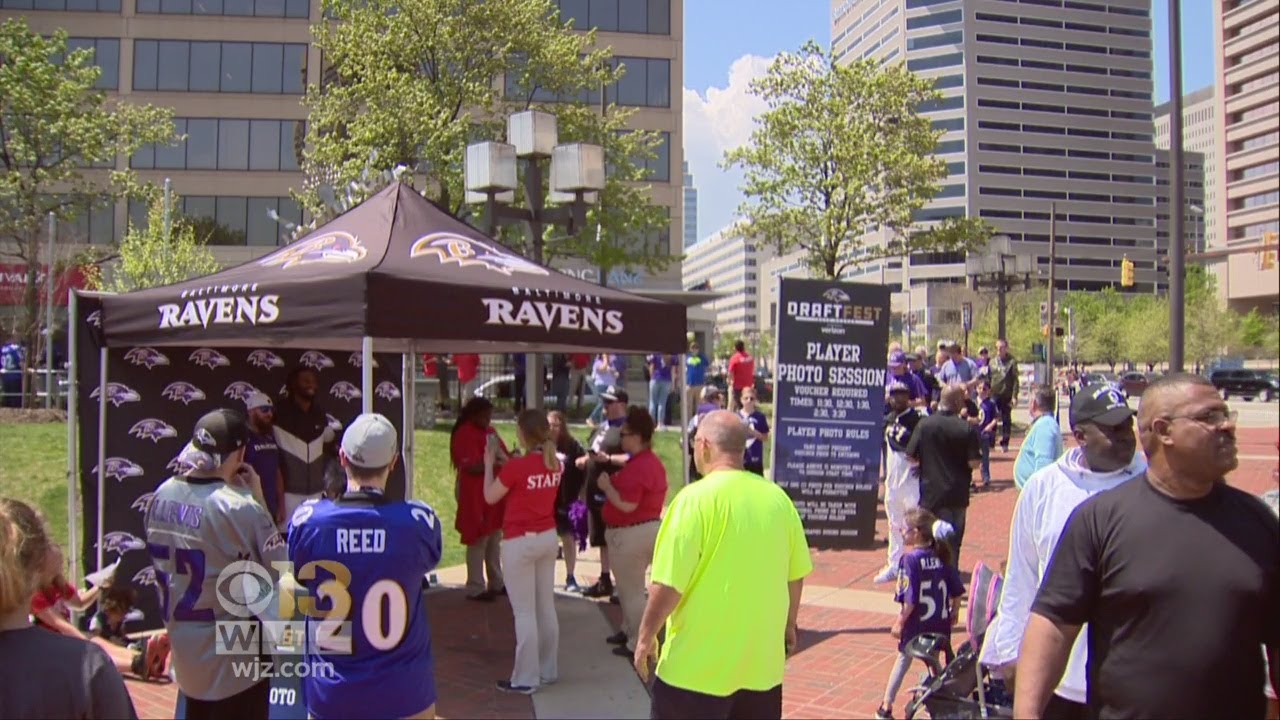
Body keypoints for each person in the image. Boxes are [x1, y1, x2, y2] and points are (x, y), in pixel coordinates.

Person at [1014, 374, 1280, 720]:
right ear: (1163, 430)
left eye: (1226, 415)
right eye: (1209, 417)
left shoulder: (1257, 523)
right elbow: (1053, 626)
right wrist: (1027, 712)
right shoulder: (1101, 520)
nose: (1227, 426)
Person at [979, 383, 1147, 719]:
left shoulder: (1152, 480)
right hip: (1060, 680)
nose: (1126, 437)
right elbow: (1022, 576)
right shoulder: (1044, 487)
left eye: (1127, 425)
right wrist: (1010, 652)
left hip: (1135, 679)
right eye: (1112, 429)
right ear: (1081, 436)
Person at [633, 411, 812, 720]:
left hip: (693, 675)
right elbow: (795, 576)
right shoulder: (778, 500)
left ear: (704, 445)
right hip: (761, 673)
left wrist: (646, 637)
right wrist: (789, 624)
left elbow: (668, 585)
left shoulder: (692, 501)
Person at [287, 413, 443, 719]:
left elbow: (299, 570)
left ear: (342, 458)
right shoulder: (416, 523)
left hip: (333, 695)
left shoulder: (310, 522)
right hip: (404, 692)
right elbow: (428, 558)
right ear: (393, 462)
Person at [144, 408, 287, 720]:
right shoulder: (240, 507)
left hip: (186, 653)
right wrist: (258, 498)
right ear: (241, 454)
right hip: (233, 661)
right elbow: (280, 569)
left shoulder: (160, 494)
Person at [0, 498, 139, 719]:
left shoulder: (88, 665)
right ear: (39, 563)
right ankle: (137, 661)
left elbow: (79, 602)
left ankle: (138, 658)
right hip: (64, 646)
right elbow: (63, 625)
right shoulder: (87, 667)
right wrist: (85, 647)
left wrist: (99, 587)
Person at [484, 410, 563, 695]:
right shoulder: (555, 463)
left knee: (524, 612)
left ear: (523, 433)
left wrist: (489, 465)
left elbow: (490, 496)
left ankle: (526, 678)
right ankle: (547, 670)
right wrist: (508, 464)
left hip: (520, 541)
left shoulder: (518, 467)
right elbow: (530, 473)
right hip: (547, 537)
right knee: (545, 606)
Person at [875, 507, 965, 720]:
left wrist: (899, 622)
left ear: (916, 532)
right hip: (939, 623)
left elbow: (910, 599)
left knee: (903, 659)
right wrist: (954, 611)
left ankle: (886, 706)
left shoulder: (910, 560)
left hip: (917, 625)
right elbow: (956, 590)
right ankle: (942, 701)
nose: (901, 532)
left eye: (904, 529)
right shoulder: (942, 554)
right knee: (933, 661)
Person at [599, 408, 668, 657]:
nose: (621, 438)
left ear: (637, 436)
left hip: (631, 533)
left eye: (625, 434)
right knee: (629, 588)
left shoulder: (641, 467)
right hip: (644, 529)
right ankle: (628, 629)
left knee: (632, 593)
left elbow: (627, 505)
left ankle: (638, 642)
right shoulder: (647, 462)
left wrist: (608, 487)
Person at [904, 385, 979, 569]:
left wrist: (925, 461)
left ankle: (932, 575)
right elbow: (974, 463)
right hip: (957, 494)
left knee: (930, 541)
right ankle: (951, 577)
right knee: (953, 543)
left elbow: (910, 456)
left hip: (931, 494)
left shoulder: (925, 424)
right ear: (956, 402)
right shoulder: (965, 428)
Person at [451, 397, 508, 601]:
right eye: (484, 416)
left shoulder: (490, 432)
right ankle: (475, 586)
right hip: (473, 492)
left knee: (494, 537)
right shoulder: (464, 433)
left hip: (492, 492)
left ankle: (496, 582)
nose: (487, 420)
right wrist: (494, 463)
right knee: (477, 538)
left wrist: (508, 458)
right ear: (474, 414)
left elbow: (504, 455)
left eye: (489, 416)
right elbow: (470, 466)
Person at [576, 386, 630, 599]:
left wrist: (608, 459)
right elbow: (595, 452)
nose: (605, 407)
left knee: (617, 539)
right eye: (604, 402)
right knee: (600, 538)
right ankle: (605, 579)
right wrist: (586, 459)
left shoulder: (627, 429)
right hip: (594, 490)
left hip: (614, 492)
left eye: (610, 402)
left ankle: (622, 584)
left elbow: (634, 458)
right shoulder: (602, 427)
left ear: (622, 404)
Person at [275, 365, 341, 518]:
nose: (311, 385)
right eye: (305, 381)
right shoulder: (280, 412)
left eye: (313, 381)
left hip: (315, 493)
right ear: (293, 384)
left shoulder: (319, 413)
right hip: (288, 494)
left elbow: (329, 445)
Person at [875, 382, 922, 584]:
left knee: (917, 526)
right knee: (894, 525)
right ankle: (894, 565)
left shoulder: (917, 420)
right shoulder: (888, 419)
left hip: (911, 482)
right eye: (894, 394)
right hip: (892, 482)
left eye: (902, 394)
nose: (898, 398)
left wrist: (923, 462)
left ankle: (919, 565)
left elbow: (925, 446)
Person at [549, 410, 587, 591]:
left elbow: (585, 467)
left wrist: (581, 497)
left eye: (556, 425)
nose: (552, 429)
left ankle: (570, 576)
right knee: (547, 540)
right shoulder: (541, 445)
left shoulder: (573, 446)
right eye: (549, 425)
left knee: (568, 538)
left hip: (567, 498)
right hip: (546, 500)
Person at [244, 391, 286, 527]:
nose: (269, 414)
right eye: (264, 410)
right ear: (251, 411)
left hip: (271, 508)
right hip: (250, 508)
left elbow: (277, 472)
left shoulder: (271, 436)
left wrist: (281, 505)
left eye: (271, 410)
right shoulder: (243, 438)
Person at [1014, 386, 1063, 491]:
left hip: (1037, 495)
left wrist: (1037, 493)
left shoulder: (1045, 426)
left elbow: (1044, 464)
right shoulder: (1045, 423)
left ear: (1034, 403)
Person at [988, 339, 1019, 452]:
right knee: (992, 418)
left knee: (1006, 419)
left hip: (1006, 394)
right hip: (994, 394)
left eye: (1001, 347)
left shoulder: (1012, 362)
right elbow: (988, 378)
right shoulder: (992, 362)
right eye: (997, 347)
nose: (999, 350)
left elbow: (1015, 380)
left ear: (1006, 348)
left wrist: (1014, 396)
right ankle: (991, 442)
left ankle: (1005, 443)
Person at [977, 381, 999, 489]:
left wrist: (990, 426)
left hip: (984, 433)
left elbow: (996, 417)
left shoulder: (991, 403)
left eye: (984, 389)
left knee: (985, 456)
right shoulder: (973, 402)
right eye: (980, 388)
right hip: (973, 433)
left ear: (988, 391)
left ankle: (986, 476)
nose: (982, 391)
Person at [646, 353, 676, 428]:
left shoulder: (655, 354)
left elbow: (651, 367)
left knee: (652, 402)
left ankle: (651, 423)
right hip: (666, 380)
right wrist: (673, 384)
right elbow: (673, 371)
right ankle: (660, 423)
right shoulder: (672, 356)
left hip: (655, 379)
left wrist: (651, 378)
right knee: (662, 402)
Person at [588, 354, 619, 426]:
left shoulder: (611, 364)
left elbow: (616, 374)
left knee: (607, 405)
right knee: (602, 403)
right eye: (606, 355)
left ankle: (603, 422)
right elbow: (602, 369)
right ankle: (592, 418)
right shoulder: (597, 363)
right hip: (601, 385)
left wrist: (613, 372)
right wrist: (605, 359)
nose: (609, 356)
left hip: (611, 385)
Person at [908, 349, 941, 413]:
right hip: (913, 403)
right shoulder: (908, 375)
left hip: (926, 404)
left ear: (920, 361)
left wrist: (934, 399)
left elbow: (935, 387)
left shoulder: (927, 374)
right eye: (909, 361)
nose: (911, 363)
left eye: (913, 361)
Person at [727, 341, 755, 412]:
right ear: (744, 347)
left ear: (735, 348)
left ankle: (735, 417)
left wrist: (729, 381)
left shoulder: (735, 358)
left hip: (738, 386)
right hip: (748, 385)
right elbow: (752, 370)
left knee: (737, 405)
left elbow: (730, 372)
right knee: (748, 405)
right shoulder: (750, 358)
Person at [685, 342, 710, 414]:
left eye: (696, 348)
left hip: (700, 384)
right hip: (689, 384)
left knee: (699, 405)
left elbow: (707, 365)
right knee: (688, 405)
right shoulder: (687, 357)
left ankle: (698, 418)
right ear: (690, 349)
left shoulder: (702, 357)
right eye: (693, 348)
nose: (694, 349)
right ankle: (688, 420)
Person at [1, 334, 22, 408]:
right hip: (15, 376)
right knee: (15, 400)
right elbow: (20, 362)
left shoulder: (2, 349)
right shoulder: (14, 348)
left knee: (7, 399)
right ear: (12, 338)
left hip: (5, 376)